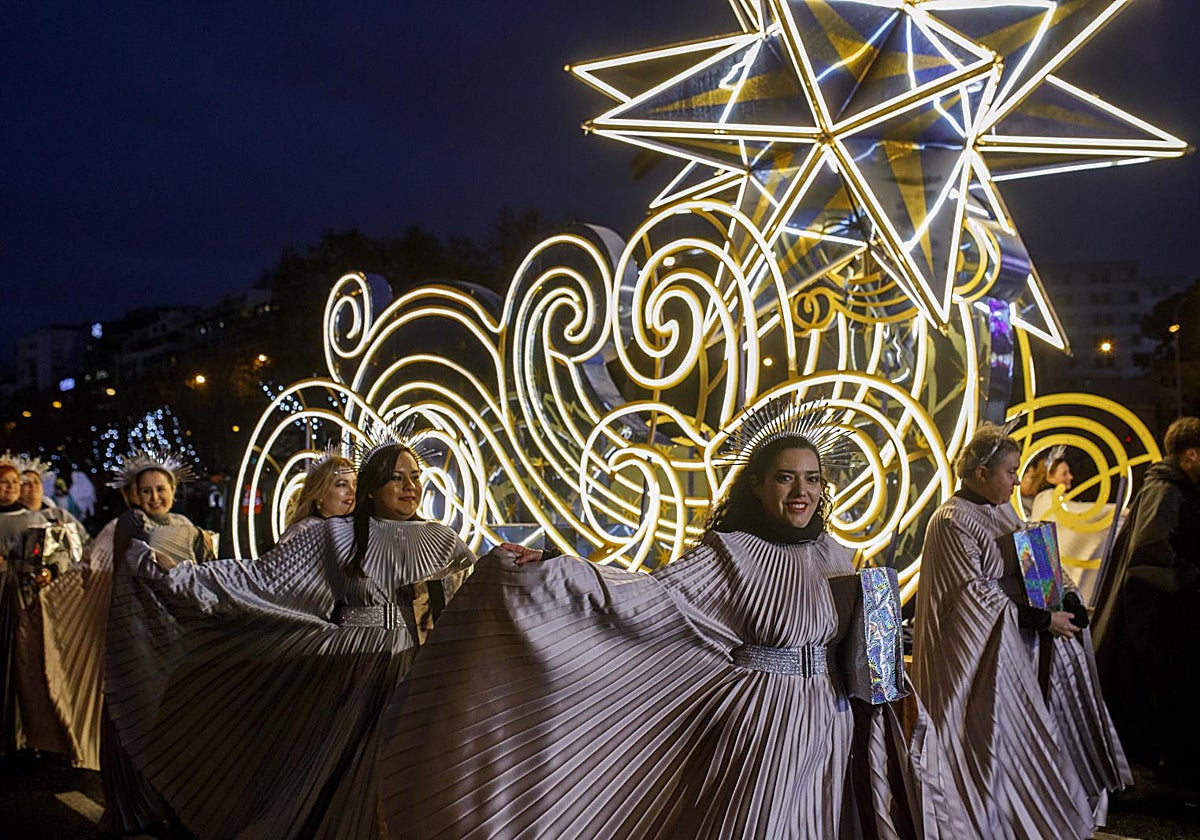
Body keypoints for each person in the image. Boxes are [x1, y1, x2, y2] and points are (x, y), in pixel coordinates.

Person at [379, 402, 967, 838]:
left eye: (812, 479)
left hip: (833, 724)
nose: (801, 491)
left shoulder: (839, 556)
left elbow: (866, 655)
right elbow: (645, 598)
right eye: (786, 477)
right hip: (763, 729)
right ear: (759, 485)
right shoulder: (727, 551)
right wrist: (557, 569)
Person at [101, 440, 475, 838]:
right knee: (352, 773)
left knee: (413, 766)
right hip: (357, 668)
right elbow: (263, 580)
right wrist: (179, 576)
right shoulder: (335, 535)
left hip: (419, 668)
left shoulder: (443, 539)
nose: (409, 486)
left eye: (415, 477)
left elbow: (477, 592)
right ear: (371, 487)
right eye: (395, 478)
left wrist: (528, 563)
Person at [912, 423, 1129, 839]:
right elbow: (969, 596)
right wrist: (1042, 619)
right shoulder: (952, 520)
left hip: (1018, 648)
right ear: (981, 473)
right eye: (1010, 472)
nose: (1016, 481)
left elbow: (1035, 558)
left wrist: (1065, 597)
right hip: (980, 658)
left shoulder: (1003, 509)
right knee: (989, 743)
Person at [1092, 416, 1200, 785]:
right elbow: (1150, 553)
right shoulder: (1166, 492)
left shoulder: (1170, 489)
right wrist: (1192, 576)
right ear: (1191, 455)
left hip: (1161, 616)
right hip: (1156, 621)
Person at [277, 452, 356, 544]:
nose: (352, 490)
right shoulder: (303, 532)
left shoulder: (358, 532)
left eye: (354, 484)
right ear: (319, 493)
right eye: (342, 484)